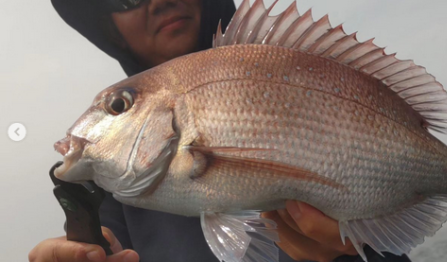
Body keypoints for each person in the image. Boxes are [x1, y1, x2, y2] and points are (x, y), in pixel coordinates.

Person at [29, 1, 412, 262]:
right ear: (109, 28)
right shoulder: (109, 200)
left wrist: (352, 256)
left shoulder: (288, 59)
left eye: (118, 105)